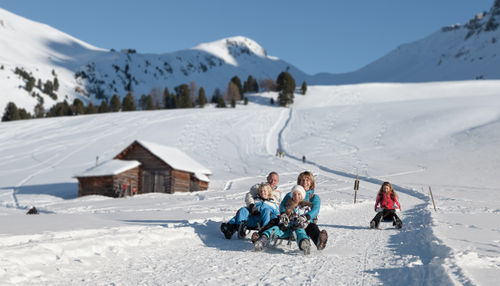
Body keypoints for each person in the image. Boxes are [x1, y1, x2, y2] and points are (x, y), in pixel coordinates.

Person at [253, 171, 328, 250]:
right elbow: (282, 205)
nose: (305, 182)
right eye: (302, 180)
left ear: (311, 182)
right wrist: (283, 214)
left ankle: (319, 242)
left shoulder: (313, 197)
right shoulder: (291, 194)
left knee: (312, 227)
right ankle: (260, 236)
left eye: (307, 180)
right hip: (290, 220)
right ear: (299, 182)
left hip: (306, 222)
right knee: (274, 222)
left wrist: (306, 217)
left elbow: (315, 210)